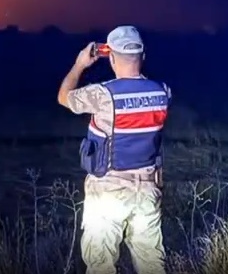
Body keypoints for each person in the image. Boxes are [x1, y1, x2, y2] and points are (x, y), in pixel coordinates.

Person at [57, 25, 170, 274]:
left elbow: (64, 97)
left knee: (101, 265)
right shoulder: (162, 92)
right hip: (148, 191)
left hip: (108, 191)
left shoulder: (103, 94)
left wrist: (79, 65)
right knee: (152, 265)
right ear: (143, 56)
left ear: (112, 57)